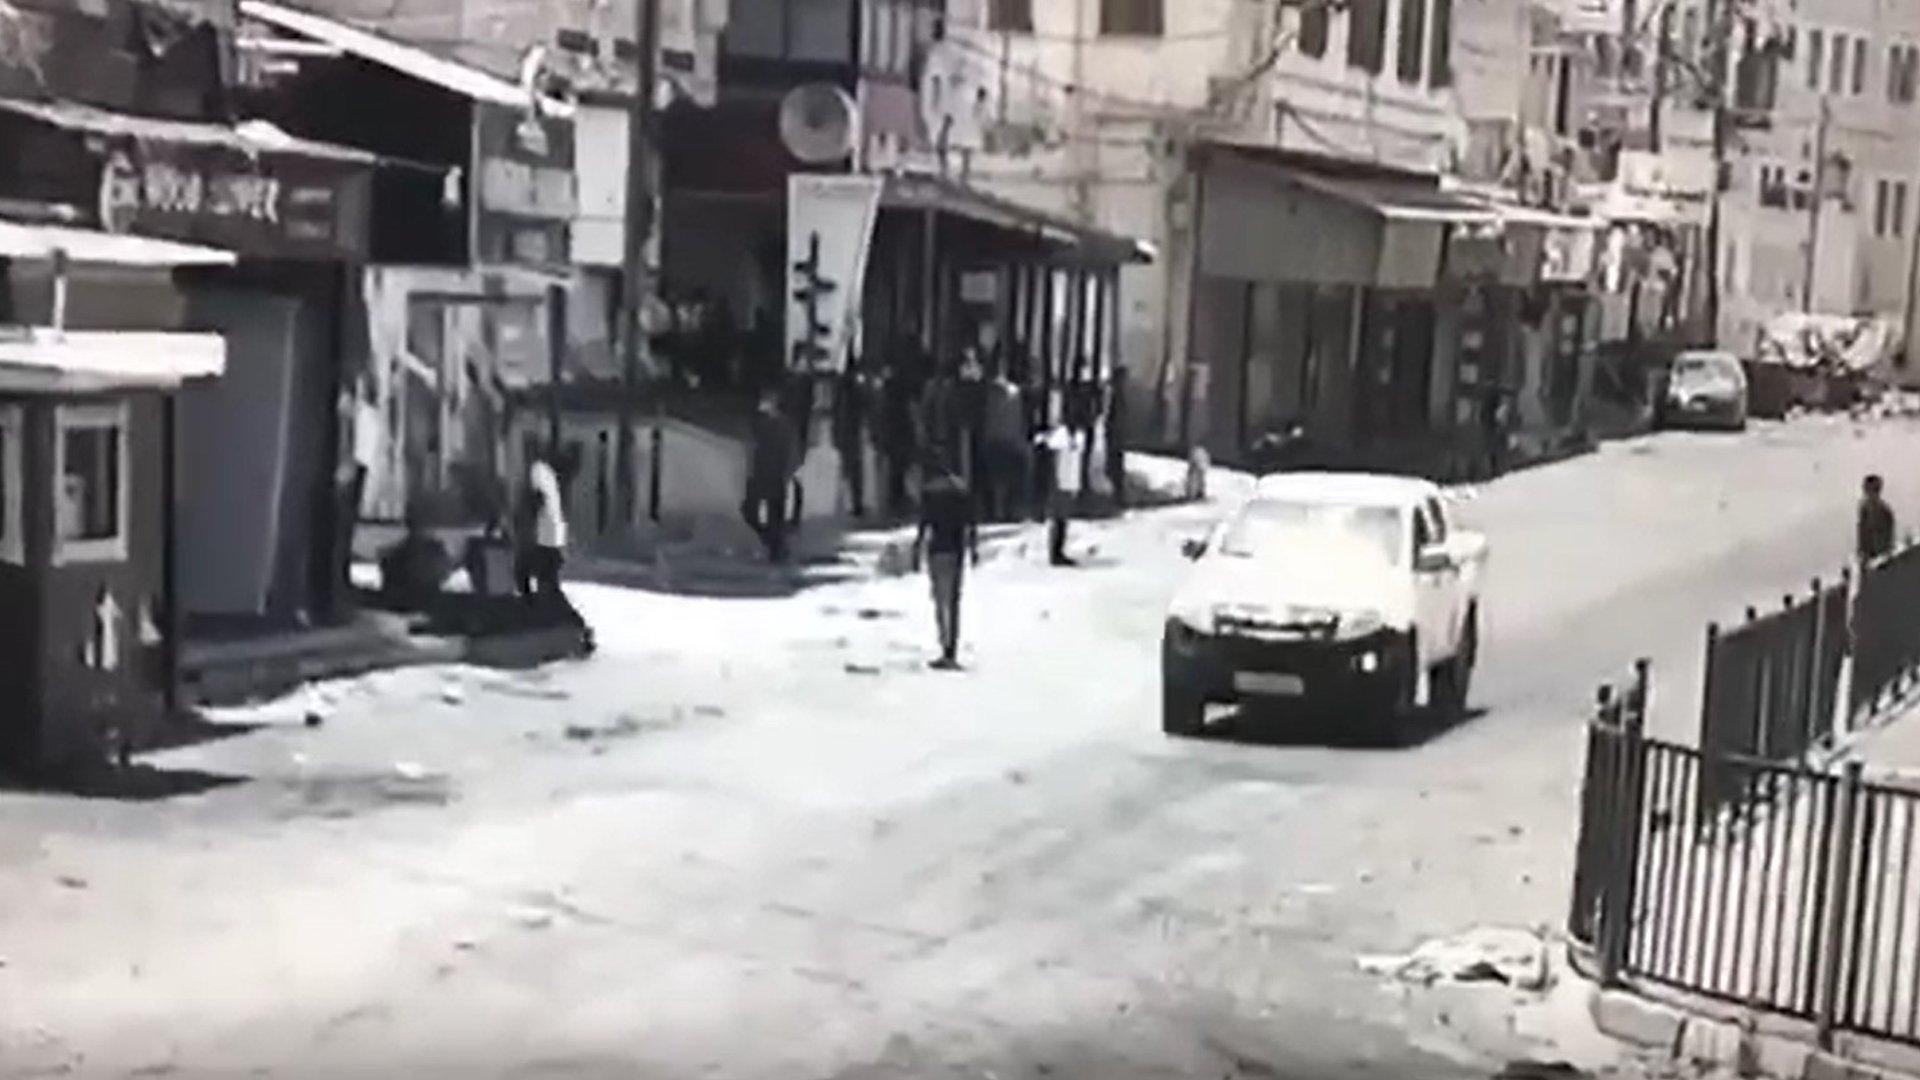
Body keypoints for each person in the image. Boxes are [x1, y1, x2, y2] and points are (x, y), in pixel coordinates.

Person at [912, 461, 979, 670]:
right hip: (956, 550)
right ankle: (951, 649)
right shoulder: (961, 491)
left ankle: (944, 646)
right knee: (953, 600)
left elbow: (924, 523)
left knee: (940, 601)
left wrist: (917, 549)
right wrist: (973, 548)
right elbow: (971, 522)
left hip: (937, 550)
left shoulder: (929, 493)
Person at [743, 388, 796, 563]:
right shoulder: (760, 423)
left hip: (773, 475)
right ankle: (773, 545)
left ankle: (776, 548)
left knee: (773, 515)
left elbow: (788, 451)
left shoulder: (780, 425)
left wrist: (787, 472)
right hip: (763, 474)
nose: (761, 405)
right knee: (754, 512)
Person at [517, 450, 569, 604]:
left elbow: (536, 500)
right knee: (546, 575)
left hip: (541, 537)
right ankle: (545, 601)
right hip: (550, 537)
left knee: (526, 571)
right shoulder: (551, 478)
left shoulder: (538, 471)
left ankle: (534, 602)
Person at [1038, 407, 1085, 567]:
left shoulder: (1079, 436)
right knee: (1057, 518)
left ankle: (1060, 550)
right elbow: (1049, 452)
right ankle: (1054, 553)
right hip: (1058, 481)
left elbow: (1077, 460)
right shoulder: (1059, 435)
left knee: (1064, 518)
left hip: (1070, 480)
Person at [980, 365, 1028, 521]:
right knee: (1008, 477)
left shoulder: (988, 394)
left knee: (998, 478)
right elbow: (1019, 419)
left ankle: (998, 510)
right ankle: (1008, 510)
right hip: (1010, 440)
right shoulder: (1015, 393)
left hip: (995, 439)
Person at [832, 362, 868, 518]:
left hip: (846, 431)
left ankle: (846, 500)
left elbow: (836, 412)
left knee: (847, 466)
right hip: (852, 432)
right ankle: (855, 501)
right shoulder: (857, 391)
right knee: (855, 468)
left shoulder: (842, 392)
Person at [1859, 473, 1897, 564]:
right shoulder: (1864, 509)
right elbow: (1862, 532)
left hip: (1882, 556)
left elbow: (1889, 534)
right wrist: (1863, 554)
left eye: (1874, 490)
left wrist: (1888, 551)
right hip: (1870, 558)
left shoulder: (1885, 511)